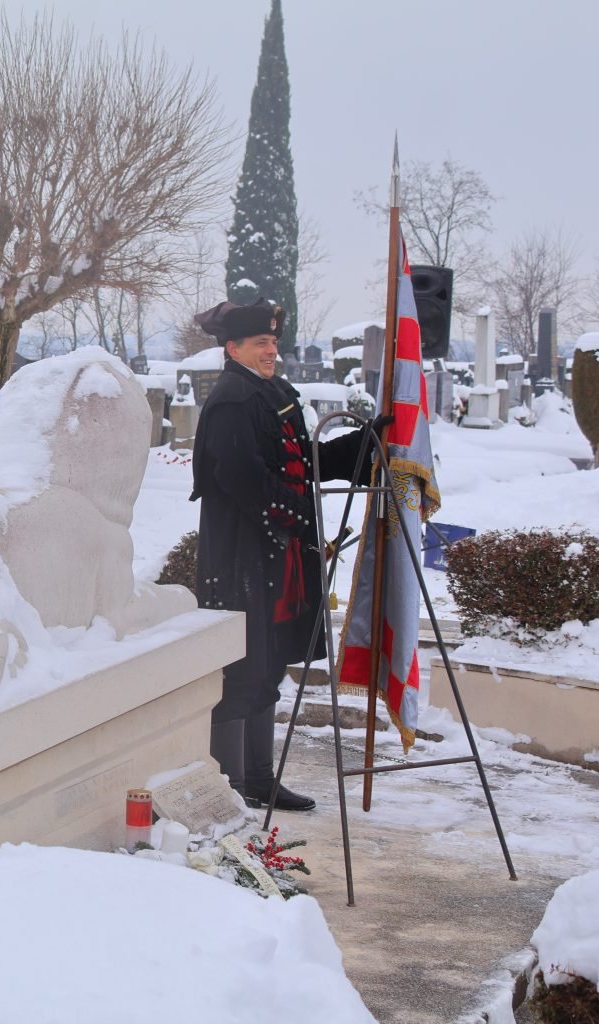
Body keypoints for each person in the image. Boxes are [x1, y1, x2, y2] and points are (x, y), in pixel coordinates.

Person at [190, 297, 377, 813]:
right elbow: (244, 478)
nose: (271, 351)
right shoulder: (232, 399)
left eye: (273, 343)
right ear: (233, 348)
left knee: (270, 668)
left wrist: (367, 444)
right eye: (260, 344)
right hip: (242, 561)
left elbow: (303, 462)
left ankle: (259, 778)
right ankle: (227, 786)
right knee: (243, 671)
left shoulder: (272, 393)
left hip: (278, 557)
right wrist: (299, 517)